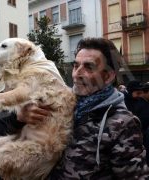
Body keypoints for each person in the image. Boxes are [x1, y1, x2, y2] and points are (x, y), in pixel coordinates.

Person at [16, 38, 149, 178]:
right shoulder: (58, 104)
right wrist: (19, 119)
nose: (76, 74)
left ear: (108, 76)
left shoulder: (123, 124)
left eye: (88, 67)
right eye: (75, 66)